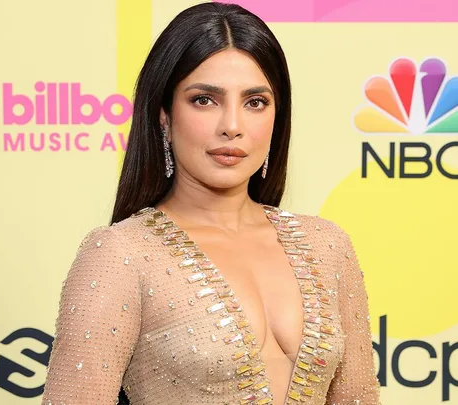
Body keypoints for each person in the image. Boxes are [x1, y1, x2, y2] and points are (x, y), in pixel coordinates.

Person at [41, 2, 381, 404]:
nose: (232, 126)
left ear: (277, 117)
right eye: (205, 100)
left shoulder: (328, 246)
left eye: (255, 102)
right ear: (164, 116)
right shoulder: (122, 255)